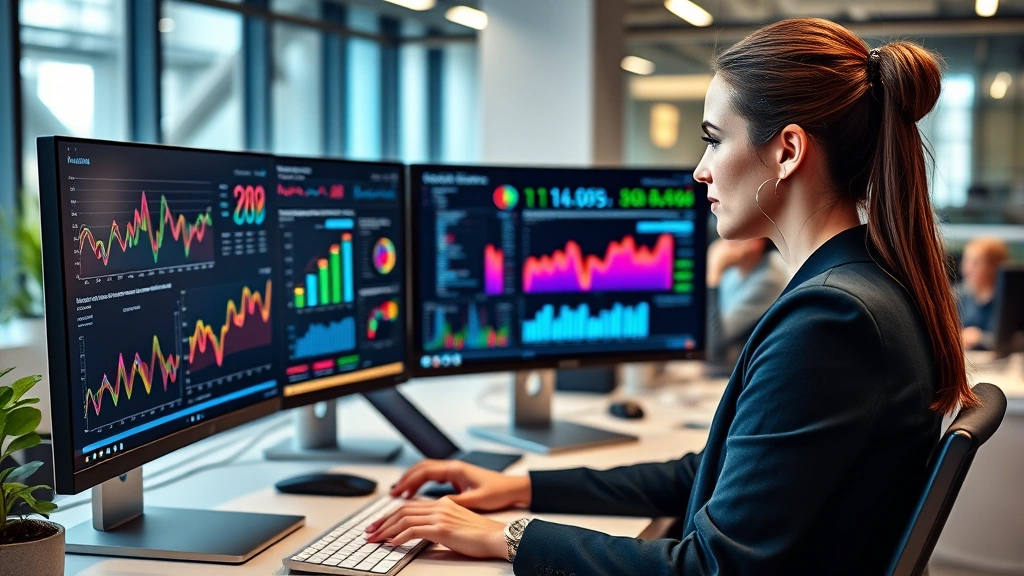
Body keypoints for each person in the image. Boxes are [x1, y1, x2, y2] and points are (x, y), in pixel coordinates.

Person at [364, 18, 978, 575]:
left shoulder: (832, 319)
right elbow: (707, 474)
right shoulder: (866, 286)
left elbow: (710, 567)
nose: (699, 170)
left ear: (787, 151)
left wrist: (509, 538)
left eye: (714, 138)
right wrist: (522, 488)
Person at [705, 236, 788, 372]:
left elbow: (713, 346)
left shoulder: (770, 278)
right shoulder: (733, 271)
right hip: (723, 365)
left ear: (758, 241)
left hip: (746, 370)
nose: (725, 238)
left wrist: (713, 274)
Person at [957, 237, 1009, 350]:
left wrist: (980, 338)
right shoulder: (957, 295)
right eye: (967, 260)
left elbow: (1014, 340)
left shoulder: (1010, 300)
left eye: (977, 263)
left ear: (994, 267)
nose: (968, 268)